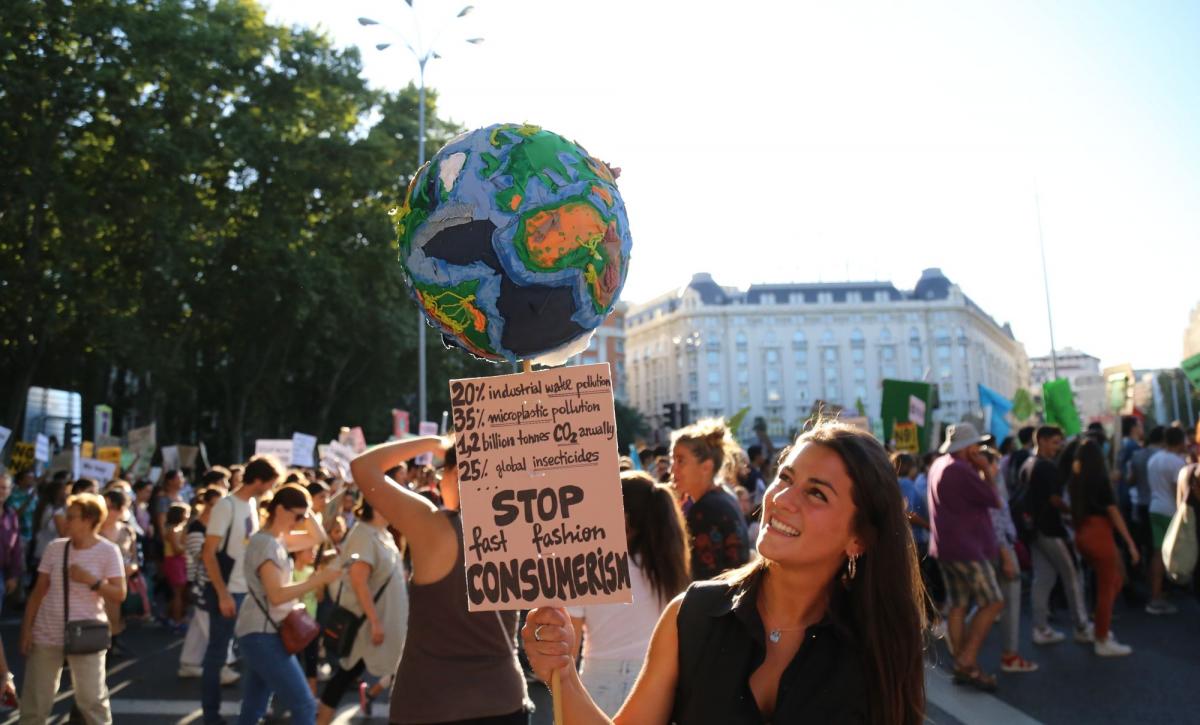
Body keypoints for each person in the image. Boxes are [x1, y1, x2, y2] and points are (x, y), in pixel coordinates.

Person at [524, 420, 926, 724]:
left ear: (859, 538)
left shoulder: (881, 641)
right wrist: (561, 671)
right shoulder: (691, 615)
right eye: (785, 477)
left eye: (816, 492)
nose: (782, 499)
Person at [352, 436, 531, 725]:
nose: (437, 481)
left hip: (429, 702)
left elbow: (363, 467)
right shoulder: (525, 529)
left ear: (457, 473)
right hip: (503, 700)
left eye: (440, 473)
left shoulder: (431, 526)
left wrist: (434, 442)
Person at [565, 471, 690, 716]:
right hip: (654, 684)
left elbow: (569, 647)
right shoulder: (670, 570)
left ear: (623, 517)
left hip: (597, 683)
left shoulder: (587, 567)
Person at [236, 484, 342, 725]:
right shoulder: (267, 543)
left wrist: (308, 507)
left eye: (303, 517)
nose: (301, 522)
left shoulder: (277, 540)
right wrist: (318, 580)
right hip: (262, 634)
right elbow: (276, 595)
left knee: (253, 708)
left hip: (262, 631)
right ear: (280, 510)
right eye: (297, 516)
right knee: (304, 704)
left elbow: (318, 537)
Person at [19, 493, 126, 724]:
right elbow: (38, 592)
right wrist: (27, 629)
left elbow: (119, 593)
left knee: (92, 701)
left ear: (89, 520)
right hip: (47, 632)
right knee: (35, 703)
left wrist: (92, 581)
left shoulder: (108, 551)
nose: (65, 521)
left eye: (71, 517)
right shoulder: (55, 548)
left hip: (86, 633)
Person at [201, 456, 284, 725]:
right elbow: (208, 553)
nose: (271, 488)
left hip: (247, 592)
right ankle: (211, 716)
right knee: (217, 656)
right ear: (258, 480)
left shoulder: (250, 503)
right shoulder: (226, 506)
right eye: (270, 483)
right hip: (229, 591)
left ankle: (253, 713)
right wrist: (223, 593)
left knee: (253, 653)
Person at [927, 423, 1005, 691]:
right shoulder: (960, 469)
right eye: (975, 445)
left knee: (958, 605)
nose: (979, 449)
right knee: (993, 601)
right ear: (967, 447)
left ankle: (964, 665)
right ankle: (966, 660)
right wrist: (985, 469)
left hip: (946, 547)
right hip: (967, 549)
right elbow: (995, 499)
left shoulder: (939, 464)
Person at [316, 500, 408, 725]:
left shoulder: (383, 533)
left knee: (347, 676)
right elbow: (359, 581)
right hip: (367, 625)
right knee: (344, 677)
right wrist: (375, 622)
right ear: (376, 505)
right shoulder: (363, 534)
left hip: (386, 623)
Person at [1019, 426, 1092, 644]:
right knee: (1072, 574)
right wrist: (1074, 512)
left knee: (1044, 578)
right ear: (1041, 440)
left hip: (1033, 530)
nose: (1058, 447)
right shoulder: (1045, 467)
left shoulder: (1028, 463)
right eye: (1054, 442)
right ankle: (1082, 626)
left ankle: (1041, 628)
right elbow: (1055, 499)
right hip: (1050, 529)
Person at [1068, 440, 1139, 656]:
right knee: (1107, 588)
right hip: (1099, 533)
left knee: (1110, 583)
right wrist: (1130, 542)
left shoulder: (1076, 479)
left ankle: (1100, 628)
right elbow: (1113, 512)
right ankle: (1102, 637)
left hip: (1083, 533)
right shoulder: (1100, 480)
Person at [977, 447, 1037, 673]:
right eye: (993, 464)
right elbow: (997, 527)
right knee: (1008, 602)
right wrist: (1007, 558)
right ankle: (1009, 655)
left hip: (992, 549)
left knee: (990, 601)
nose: (997, 468)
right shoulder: (987, 491)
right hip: (1001, 550)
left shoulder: (984, 488)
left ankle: (966, 652)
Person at [669, 419, 750, 581]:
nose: (673, 469)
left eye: (680, 460)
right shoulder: (724, 497)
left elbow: (702, 579)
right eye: (673, 460)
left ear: (706, 467)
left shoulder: (705, 510)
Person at [179, 488, 238, 683]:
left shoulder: (212, 527)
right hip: (203, 584)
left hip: (208, 583)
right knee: (212, 627)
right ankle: (223, 666)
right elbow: (202, 556)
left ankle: (189, 663)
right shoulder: (197, 529)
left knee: (199, 626)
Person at [1145, 426, 1188, 615]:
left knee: (1157, 554)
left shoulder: (1154, 459)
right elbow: (1177, 490)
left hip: (1155, 508)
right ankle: (1167, 590)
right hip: (1171, 511)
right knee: (1180, 552)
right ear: (1180, 441)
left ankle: (1155, 594)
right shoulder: (1177, 462)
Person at [99, 489, 137, 654]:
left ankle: (113, 642)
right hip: (98, 582)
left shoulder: (128, 530)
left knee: (117, 614)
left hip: (122, 580)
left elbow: (135, 557)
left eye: (113, 507)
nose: (109, 511)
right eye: (106, 507)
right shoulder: (94, 530)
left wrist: (133, 567)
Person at [31, 478, 68, 576]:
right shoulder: (51, 510)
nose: (66, 493)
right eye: (64, 490)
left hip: (45, 549)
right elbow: (60, 532)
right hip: (46, 550)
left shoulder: (49, 507)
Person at [163, 501, 191, 629]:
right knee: (177, 593)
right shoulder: (172, 530)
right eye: (186, 513)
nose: (187, 516)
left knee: (181, 592)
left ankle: (171, 616)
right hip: (174, 562)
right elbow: (177, 550)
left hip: (179, 561)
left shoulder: (179, 529)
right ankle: (177, 620)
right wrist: (187, 545)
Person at [0, 472, 24, 614]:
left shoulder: (11, 515)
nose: (1, 491)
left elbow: (16, 548)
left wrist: (13, 575)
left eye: (4, 488)